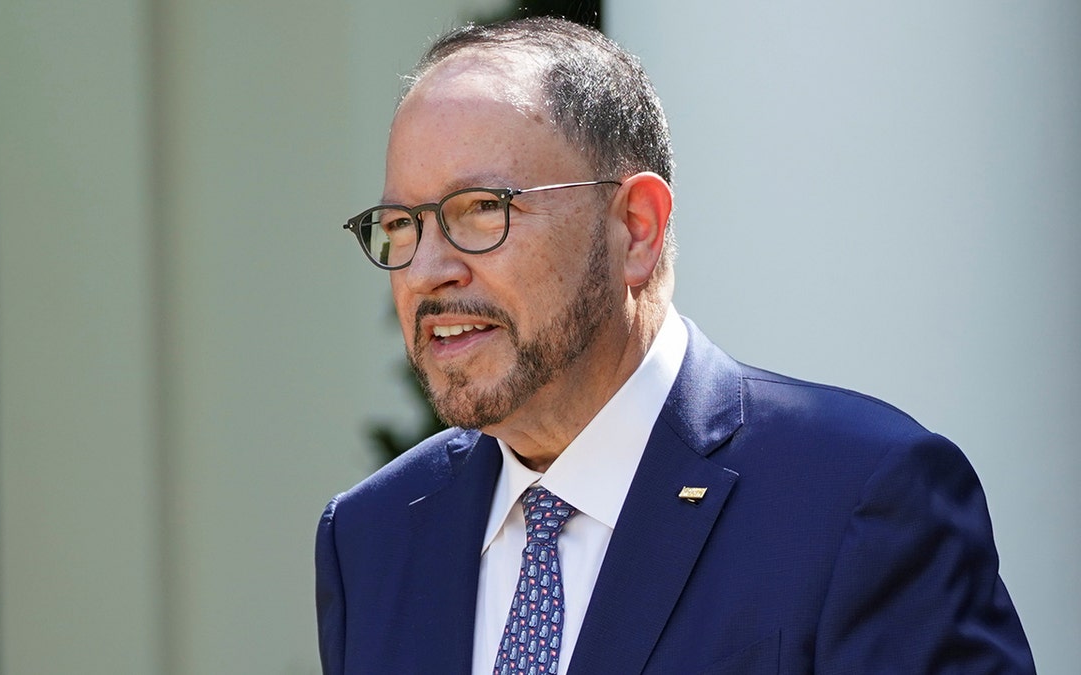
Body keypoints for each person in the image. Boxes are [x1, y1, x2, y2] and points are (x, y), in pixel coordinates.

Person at [316, 16, 1034, 674]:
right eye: (403, 223)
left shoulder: (858, 500)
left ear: (636, 226)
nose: (427, 270)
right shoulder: (371, 536)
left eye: (480, 210)